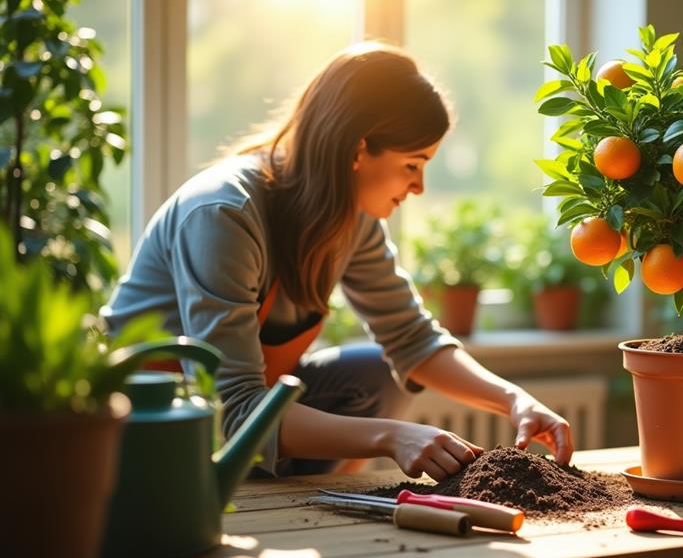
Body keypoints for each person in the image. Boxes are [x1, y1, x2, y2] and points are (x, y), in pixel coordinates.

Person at [102, 42, 573, 480]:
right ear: (358, 148)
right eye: (413, 164)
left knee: (374, 376)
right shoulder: (223, 213)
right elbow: (233, 407)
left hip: (238, 417)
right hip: (152, 423)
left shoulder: (353, 220)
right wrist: (391, 436)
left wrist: (513, 399)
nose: (419, 188)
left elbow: (412, 339)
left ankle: (295, 503)